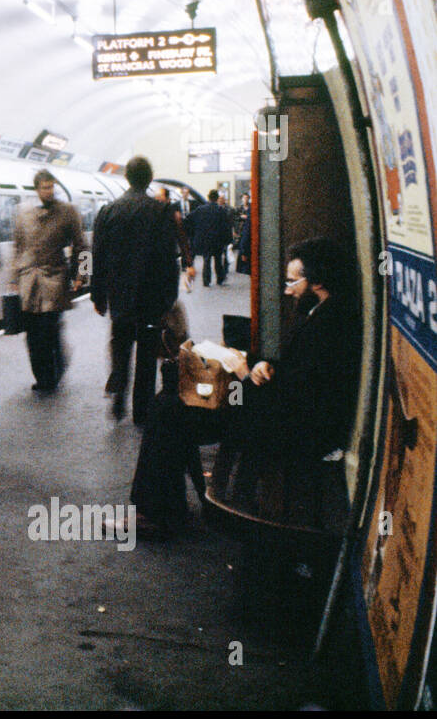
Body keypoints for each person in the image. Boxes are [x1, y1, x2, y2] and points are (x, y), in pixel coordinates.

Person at [126, 238, 358, 535]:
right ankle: (161, 509)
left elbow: (299, 398)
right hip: (282, 414)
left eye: (292, 281)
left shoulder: (328, 325)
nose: (288, 290)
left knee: (169, 409)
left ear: (318, 282)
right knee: (171, 403)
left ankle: (158, 515)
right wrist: (264, 366)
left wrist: (246, 374)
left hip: (284, 427)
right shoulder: (328, 314)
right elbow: (301, 379)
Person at [91, 156, 178, 424]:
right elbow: (168, 260)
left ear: (126, 178)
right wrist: (168, 299)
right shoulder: (161, 211)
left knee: (121, 344)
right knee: (147, 353)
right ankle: (141, 410)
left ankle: (118, 396)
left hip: (120, 295)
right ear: (150, 178)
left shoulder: (108, 211)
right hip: (151, 297)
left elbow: (97, 255)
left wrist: (98, 294)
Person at [10, 169, 85, 391]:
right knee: (33, 333)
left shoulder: (68, 212)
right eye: (44, 187)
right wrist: (14, 278)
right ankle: (42, 376)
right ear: (37, 189)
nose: (49, 191)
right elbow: (18, 246)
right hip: (28, 281)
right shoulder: (23, 212)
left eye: (51, 186)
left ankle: (54, 369)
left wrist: (82, 275)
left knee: (50, 329)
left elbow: (82, 246)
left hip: (55, 279)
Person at [187, 189, 234, 287]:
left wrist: (194, 233)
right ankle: (220, 279)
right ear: (217, 198)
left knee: (206, 260)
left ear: (208, 198)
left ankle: (206, 281)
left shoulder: (200, 209)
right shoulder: (221, 210)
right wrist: (228, 240)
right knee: (218, 260)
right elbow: (227, 226)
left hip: (205, 239)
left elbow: (189, 219)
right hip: (218, 240)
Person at [155, 186, 195, 292]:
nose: (157, 198)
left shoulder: (173, 214)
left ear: (168, 199)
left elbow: (182, 240)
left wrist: (189, 263)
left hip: (168, 257)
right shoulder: (151, 213)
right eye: (157, 196)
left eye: (160, 196)